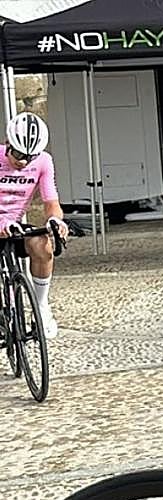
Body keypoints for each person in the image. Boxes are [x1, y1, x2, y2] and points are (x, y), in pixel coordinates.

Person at [0, 113, 67, 338]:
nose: (23, 161)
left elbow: (51, 202)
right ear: (8, 144)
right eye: (18, 154)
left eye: (30, 157)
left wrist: (54, 221)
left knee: (42, 244)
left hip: (15, 225)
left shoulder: (44, 161)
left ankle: (40, 307)